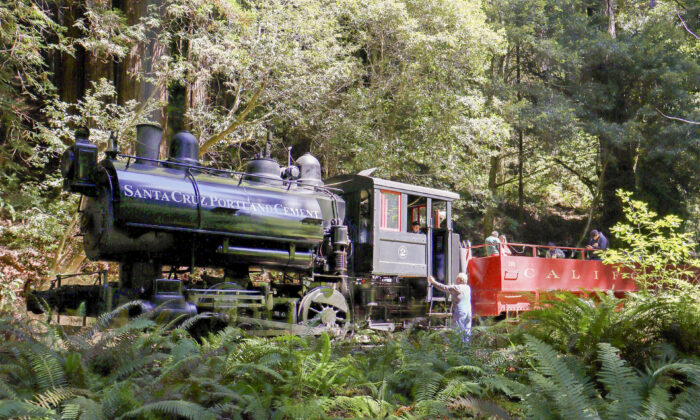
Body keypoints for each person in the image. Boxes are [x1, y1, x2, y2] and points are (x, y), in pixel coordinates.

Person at [429, 273, 471, 343]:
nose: (456, 279)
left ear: (459, 280)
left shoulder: (456, 288)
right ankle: (467, 348)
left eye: (457, 278)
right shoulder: (467, 288)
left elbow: (444, 288)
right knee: (467, 330)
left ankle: (458, 349)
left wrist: (433, 282)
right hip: (468, 311)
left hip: (460, 312)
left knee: (457, 330)